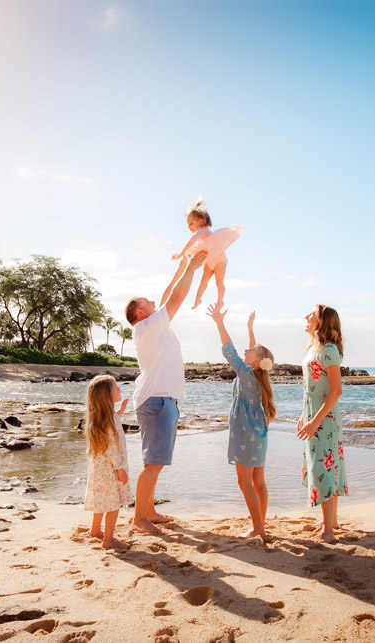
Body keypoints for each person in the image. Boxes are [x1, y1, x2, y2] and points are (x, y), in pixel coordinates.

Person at [125, 251, 208, 533]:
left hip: (163, 400)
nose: (152, 301)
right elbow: (176, 297)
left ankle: (149, 511)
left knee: (156, 462)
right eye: (146, 302)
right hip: (156, 401)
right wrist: (194, 268)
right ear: (140, 312)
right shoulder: (147, 327)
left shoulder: (154, 325)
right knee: (152, 463)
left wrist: (185, 264)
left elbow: (169, 292)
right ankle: (139, 518)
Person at [206, 307, 276, 542]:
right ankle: (260, 524)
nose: (247, 350)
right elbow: (252, 351)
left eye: (251, 351)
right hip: (260, 432)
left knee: (245, 482)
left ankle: (258, 528)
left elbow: (230, 351)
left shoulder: (246, 372)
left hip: (246, 434)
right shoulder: (257, 373)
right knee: (258, 482)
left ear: (256, 361)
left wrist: (219, 323)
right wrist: (250, 328)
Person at [296, 304, 348, 543]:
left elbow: (336, 390)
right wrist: (302, 415)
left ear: (322, 322)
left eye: (312, 315)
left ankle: (328, 532)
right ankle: (332, 521)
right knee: (325, 464)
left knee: (323, 466)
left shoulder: (328, 350)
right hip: (313, 412)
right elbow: (310, 389)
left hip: (324, 416)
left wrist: (315, 421)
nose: (307, 317)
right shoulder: (313, 349)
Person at [160, 196, 244, 311]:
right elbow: (195, 246)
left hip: (220, 260)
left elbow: (191, 242)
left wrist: (181, 253)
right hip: (210, 261)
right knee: (203, 281)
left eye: (190, 223)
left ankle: (220, 301)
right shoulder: (202, 235)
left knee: (219, 281)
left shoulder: (201, 231)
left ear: (200, 221)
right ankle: (197, 299)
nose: (188, 227)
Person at [83, 374, 132, 549]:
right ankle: (109, 540)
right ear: (107, 396)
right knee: (113, 503)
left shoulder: (104, 418)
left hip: (100, 469)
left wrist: (121, 410)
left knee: (101, 500)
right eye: (116, 387)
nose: (119, 389)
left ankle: (95, 530)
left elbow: (114, 420)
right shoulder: (108, 420)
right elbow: (111, 447)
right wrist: (120, 469)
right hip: (111, 468)